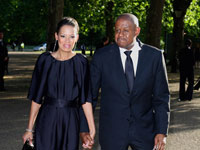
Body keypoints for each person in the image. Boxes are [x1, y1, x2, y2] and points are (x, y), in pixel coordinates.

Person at [81, 13, 170, 150]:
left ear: (137, 31)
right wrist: (84, 129)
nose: (120, 34)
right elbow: (89, 96)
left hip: (145, 133)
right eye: (117, 30)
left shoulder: (154, 57)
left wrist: (162, 131)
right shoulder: (102, 57)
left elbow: (161, 98)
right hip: (112, 133)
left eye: (125, 30)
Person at [22, 17, 95, 150]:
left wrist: (91, 128)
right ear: (56, 36)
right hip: (47, 117)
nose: (67, 41)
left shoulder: (81, 62)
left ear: (77, 38)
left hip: (71, 120)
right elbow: (37, 98)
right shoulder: (45, 60)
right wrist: (29, 129)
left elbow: (86, 99)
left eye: (71, 36)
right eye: (63, 36)